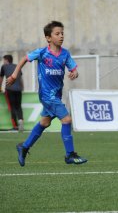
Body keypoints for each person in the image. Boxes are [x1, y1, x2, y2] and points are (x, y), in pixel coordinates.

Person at [7, 21, 87, 166]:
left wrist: (75, 73)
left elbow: (73, 69)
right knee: (67, 120)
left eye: (62, 33)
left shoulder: (65, 54)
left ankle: (24, 147)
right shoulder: (42, 52)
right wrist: (14, 76)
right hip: (46, 95)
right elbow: (25, 59)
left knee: (45, 122)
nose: (61, 36)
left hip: (56, 95)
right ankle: (70, 154)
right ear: (48, 38)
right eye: (57, 33)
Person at [0, 55, 24, 132]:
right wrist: (22, 88)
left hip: (9, 89)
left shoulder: (4, 66)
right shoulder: (17, 66)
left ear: (6, 60)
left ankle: (16, 126)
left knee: (12, 107)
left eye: (4, 60)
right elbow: (21, 78)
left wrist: (0, 88)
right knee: (18, 106)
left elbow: (1, 78)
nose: (3, 61)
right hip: (18, 89)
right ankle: (20, 120)